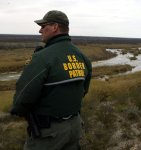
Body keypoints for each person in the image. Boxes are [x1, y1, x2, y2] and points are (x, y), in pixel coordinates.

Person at [10, 10, 92, 150]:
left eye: (43, 26)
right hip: (75, 126)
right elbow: (83, 90)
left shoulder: (42, 57)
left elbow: (23, 96)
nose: (40, 30)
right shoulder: (81, 56)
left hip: (49, 132)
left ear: (55, 27)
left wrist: (17, 111)